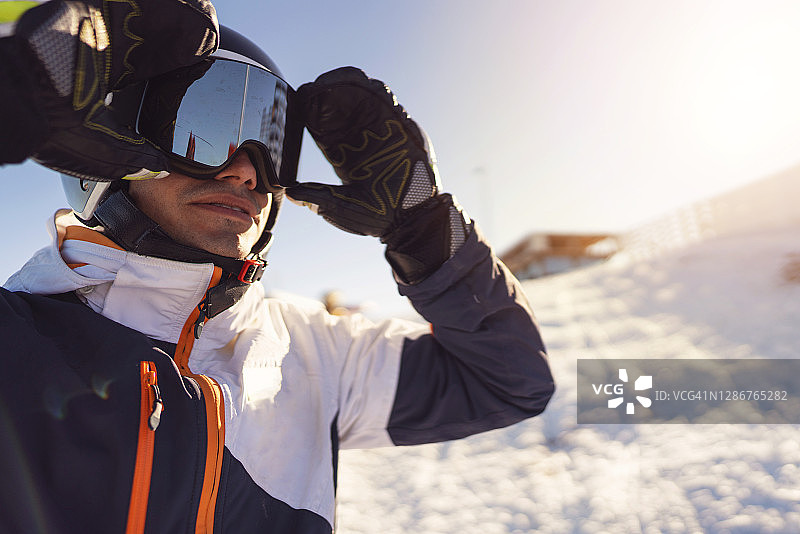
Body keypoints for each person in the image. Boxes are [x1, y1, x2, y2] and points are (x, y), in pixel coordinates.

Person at [0, 1, 554, 532]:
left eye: (272, 144)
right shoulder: (18, 341)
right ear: (106, 147)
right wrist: (15, 71)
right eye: (204, 129)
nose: (246, 172)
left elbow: (508, 379)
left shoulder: (314, 354)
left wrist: (424, 228)